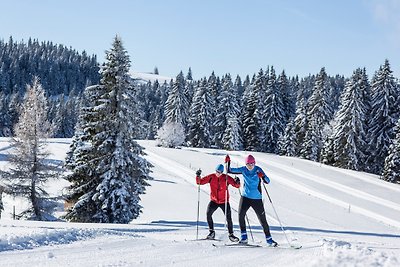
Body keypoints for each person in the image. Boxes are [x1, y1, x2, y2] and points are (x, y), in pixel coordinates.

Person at [225, 154, 278, 247]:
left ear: (254, 163)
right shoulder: (243, 169)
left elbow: (268, 181)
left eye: (252, 164)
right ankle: (244, 237)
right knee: (241, 215)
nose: (250, 166)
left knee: (262, 220)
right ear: (245, 164)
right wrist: (228, 162)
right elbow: (229, 170)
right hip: (245, 197)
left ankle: (269, 240)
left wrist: (262, 176)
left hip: (257, 199)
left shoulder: (258, 170)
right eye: (248, 164)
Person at [196, 164, 240, 242]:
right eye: (217, 171)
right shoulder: (211, 177)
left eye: (220, 172)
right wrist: (198, 175)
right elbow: (200, 182)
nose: (218, 173)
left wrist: (237, 181)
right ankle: (211, 232)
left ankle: (231, 235)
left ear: (222, 172)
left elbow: (236, 185)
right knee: (208, 214)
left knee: (228, 218)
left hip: (224, 202)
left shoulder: (226, 178)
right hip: (214, 201)